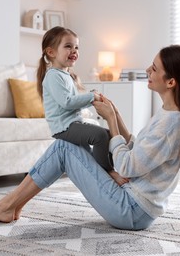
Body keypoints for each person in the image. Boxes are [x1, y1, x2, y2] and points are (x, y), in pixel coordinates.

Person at [0, 44, 180, 231]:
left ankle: (7, 205)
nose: (147, 71)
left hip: (131, 210)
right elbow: (136, 147)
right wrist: (117, 115)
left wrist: (110, 121)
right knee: (66, 146)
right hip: (135, 204)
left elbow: (128, 166)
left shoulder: (170, 125)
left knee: (63, 147)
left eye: (154, 68)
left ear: (171, 82)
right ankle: (11, 205)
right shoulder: (169, 114)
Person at [36, 26, 127, 185]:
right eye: (68, 46)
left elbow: (72, 99)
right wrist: (91, 97)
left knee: (108, 133)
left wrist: (90, 95)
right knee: (100, 136)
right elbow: (67, 102)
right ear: (51, 52)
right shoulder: (53, 76)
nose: (74, 51)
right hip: (63, 126)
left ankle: (112, 166)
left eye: (76, 47)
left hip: (72, 123)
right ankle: (107, 172)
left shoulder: (65, 75)